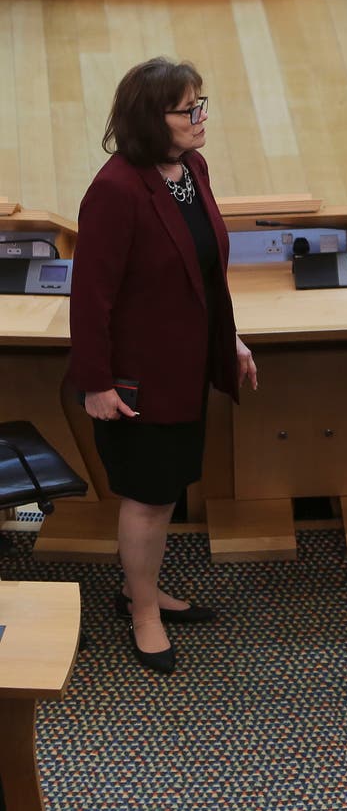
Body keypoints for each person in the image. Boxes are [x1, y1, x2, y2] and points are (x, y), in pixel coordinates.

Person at [68, 58, 257, 675]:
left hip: (184, 368)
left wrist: (230, 341)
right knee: (147, 497)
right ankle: (143, 612)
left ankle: (139, 588)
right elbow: (90, 297)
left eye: (202, 104)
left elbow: (205, 272)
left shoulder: (188, 169)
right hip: (135, 381)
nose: (201, 118)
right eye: (187, 109)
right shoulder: (116, 190)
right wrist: (95, 382)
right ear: (152, 119)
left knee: (167, 487)